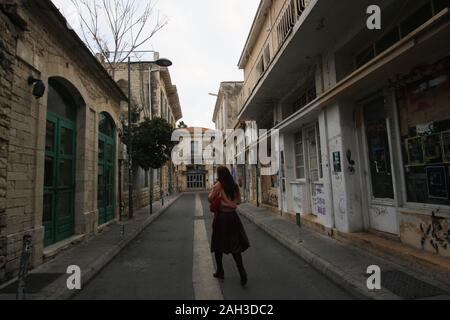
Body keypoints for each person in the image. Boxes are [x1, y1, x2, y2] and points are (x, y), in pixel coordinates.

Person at [208, 166, 250, 286]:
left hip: (221, 218)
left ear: (220, 174)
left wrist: (220, 198)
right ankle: (242, 272)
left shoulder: (218, 185)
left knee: (217, 245)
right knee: (235, 244)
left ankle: (220, 271)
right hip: (233, 217)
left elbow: (210, 199)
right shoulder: (234, 185)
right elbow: (238, 201)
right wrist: (230, 202)